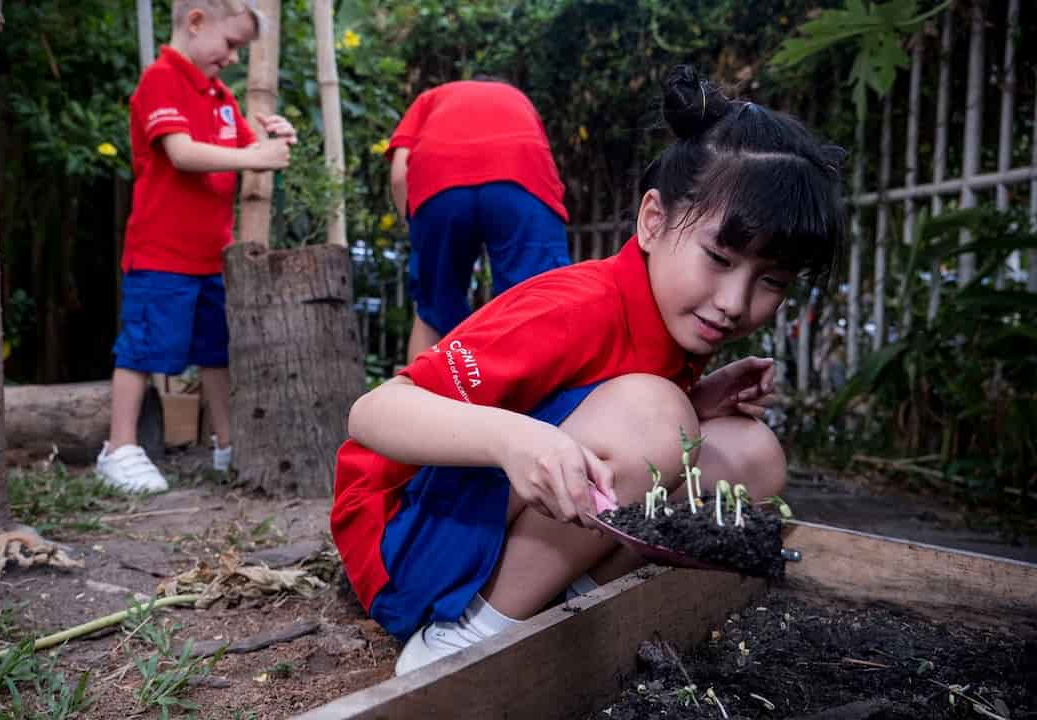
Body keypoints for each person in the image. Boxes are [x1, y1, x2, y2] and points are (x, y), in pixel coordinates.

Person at [335, 65, 847, 675]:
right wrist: (514, 437)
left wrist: (698, 398)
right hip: (405, 544)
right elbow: (374, 410)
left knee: (751, 455)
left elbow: (593, 405)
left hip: (487, 527)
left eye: (770, 282)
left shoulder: (671, 329)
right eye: (719, 257)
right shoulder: (575, 306)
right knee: (657, 419)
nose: (735, 301)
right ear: (652, 221)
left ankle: (564, 608)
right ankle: (464, 639)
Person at [96, 0, 298, 492]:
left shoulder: (221, 96)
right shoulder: (162, 80)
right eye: (230, 44)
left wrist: (277, 139)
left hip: (214, 255)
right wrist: (257, 157)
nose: (232, 57)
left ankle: (229, 444)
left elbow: (251, 150)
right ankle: (119, 447)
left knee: (217, 353)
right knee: (141, 351)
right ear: (196, 22)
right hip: (161, 253)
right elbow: (182, 153)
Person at [386, 78, 571, 361]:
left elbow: (400, 174)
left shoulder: (430, 97)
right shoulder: (517, 97)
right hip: (519, 171)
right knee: (537, 300)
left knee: (432, 310)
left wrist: (418, 228)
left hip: (438, 178)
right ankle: (539, 402)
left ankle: (421, 401)